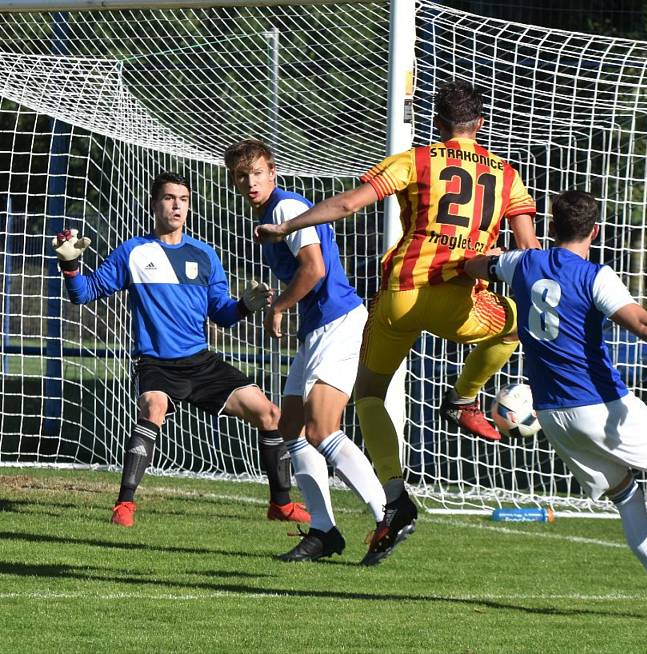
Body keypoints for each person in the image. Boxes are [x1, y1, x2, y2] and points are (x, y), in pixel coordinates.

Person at [255, 80, 541, 565]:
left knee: (368, 394)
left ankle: (395, 493)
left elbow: (347, 204)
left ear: (437, 123)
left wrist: (288, 226)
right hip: (459, 302)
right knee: (511, 326)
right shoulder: (508, 175)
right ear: (482, 125)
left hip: (401, 298)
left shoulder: (417, 159)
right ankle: (464, 397)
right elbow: (530, 252)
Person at [464, 190, 647, 619]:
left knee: (627, 498)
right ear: (595, 231)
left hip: (551, 414)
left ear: (551, 226)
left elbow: (475, 264)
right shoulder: (596, 276)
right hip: (596, 402)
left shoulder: (520, 263)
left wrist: (483, 263)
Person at [51, 171, 310, 527]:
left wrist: (246, 305)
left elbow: (223, 315)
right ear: (154, 204)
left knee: (269, 414)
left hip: (200, 364)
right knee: (153, 406)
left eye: (184, 200)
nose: (177, 205)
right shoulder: (133, 251)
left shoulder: (204, 255)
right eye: (170, 198)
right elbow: (83, 293)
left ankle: (280, 505)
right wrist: (69, 265)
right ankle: (124, 505)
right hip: (156, 363)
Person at [225, 140, 387, 562]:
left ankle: (388, 514)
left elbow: (314, 269)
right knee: (291, 427)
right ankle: (323, 531)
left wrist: (278, 307)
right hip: (319, 327)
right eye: (242, 176)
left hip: (337, 321)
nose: (250, 182)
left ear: (272, 173)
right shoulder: (271, 212)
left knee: (321, 429)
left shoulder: (283, 208)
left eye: (257, 173)